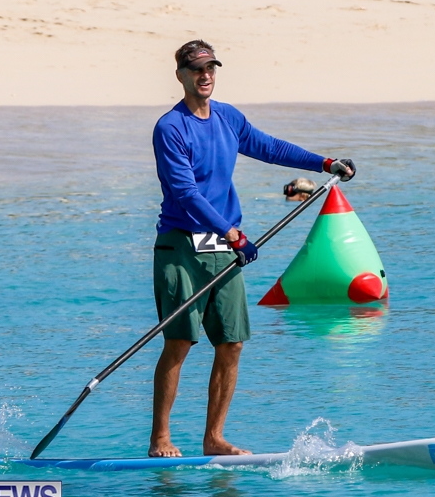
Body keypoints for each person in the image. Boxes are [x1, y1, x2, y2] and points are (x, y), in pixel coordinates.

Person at [149, 40, 355, 458]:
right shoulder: (170, 128)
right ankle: (161, 439)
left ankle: (214, 439)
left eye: (210, 68)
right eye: (196, 69)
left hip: (223, 248)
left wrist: (323, 163)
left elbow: (270, 148)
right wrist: (232, 233)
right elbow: (186, 193)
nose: (205, 75)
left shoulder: (228, 117)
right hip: (182, 247)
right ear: (181, 76)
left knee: (232, 343)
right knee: (180, 342)